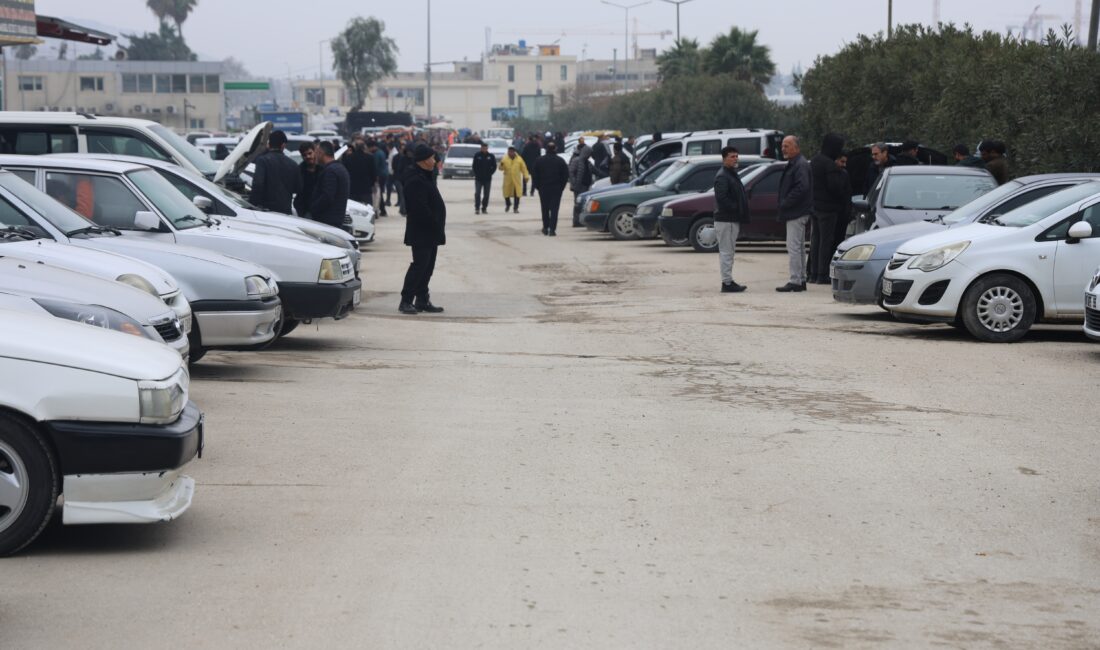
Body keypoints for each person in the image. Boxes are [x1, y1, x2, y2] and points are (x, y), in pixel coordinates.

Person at [399, 143, 447, 315]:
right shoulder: (414, 179)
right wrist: (434, 221)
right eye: (432, 158)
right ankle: (406, 301)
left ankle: (422, 299)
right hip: (421, 232)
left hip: (431, 232)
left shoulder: (425, 176)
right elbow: (419, 208)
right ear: (424, 160)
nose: (435, 161)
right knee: (419, 266)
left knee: (428, 267)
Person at [808, 133, 848, 285]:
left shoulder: (815, 160)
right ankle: (822, 274)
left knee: (815, 241)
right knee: (826, 242)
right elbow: (835, 188)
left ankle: (813, 274)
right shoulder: (830, 164)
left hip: (815, 207)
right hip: (828, 209)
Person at [776, 135, 813, 293]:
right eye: (783, 145)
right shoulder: (795, 163)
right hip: (796, 211)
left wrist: (786, 202)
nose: (783, 148)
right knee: (798, 247)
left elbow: (802, 187)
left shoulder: (800, 164)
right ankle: (801, 279)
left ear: (796, 147)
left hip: (796, 212)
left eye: (787, 145)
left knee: (793, 247)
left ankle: (795, 280)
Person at [713, 146, 749, 293]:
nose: (735, 159)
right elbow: (722, 199)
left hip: (731, 219)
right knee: (726, 252)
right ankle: (727, 283)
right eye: (732, 156)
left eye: (736, 156)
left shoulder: (732, 173)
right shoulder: (723, 176)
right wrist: (736, 207)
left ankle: (728, 281)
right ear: (724, 159)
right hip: (725, 220)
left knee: (729, 251)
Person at [248, 130, 301, 214]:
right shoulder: (293, 164)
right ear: (283, 145)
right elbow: (297, 188)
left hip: (266, 210)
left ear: (269, 144)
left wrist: (251, 205)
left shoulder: (263, 161)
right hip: (285, 209)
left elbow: (258, 184)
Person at [309, 141, 350, 229]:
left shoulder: (330, 171)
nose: (315, 156)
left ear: (321, 153)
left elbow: (327, 196)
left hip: (328, 221)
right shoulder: (340, 168)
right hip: (336, 219)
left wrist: (313, 209)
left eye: (316, 152)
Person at [533, 141, 570, 236]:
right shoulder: (560, 161)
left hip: (543, 188)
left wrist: (538, 187)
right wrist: (561, 187)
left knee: (544, 208)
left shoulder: (539, 160)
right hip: (556, 188)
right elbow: (565, 175)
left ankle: (545, 228)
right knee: (554, 209)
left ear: (546, 149)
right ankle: (552, 229)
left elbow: (535, 175)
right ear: (555, 149)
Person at [568, 143, 594, 227]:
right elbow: (571, 172)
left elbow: (594, 170)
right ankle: (576, 221)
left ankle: (581, 221)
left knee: (583, 204)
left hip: (586, 186)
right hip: (579, 186)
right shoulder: (576, 160)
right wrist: (575, 183)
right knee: (577, 204)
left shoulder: (587, 162)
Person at [293, 141, 320, 219]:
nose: (308, 156)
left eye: (309, 153)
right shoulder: (300, 169)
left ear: (314, 152)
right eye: (304, 155)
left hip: (320, 209)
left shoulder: (323, 168)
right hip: (304, 209)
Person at [832, 154, 853, 251]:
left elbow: (848, 195)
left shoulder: (845, 174)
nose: (844, 165)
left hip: (842, 216)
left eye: (845, 162)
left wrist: (847, 213)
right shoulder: (829, 174)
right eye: (842, 161)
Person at [499, 146, 529, 213]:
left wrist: (526, 176)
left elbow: (524, 168)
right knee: (506, 193)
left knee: (517, 194)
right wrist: (501, 165)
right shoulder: (504, 159)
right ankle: (508, 204)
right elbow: (500, 169)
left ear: (514, 152)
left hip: (516, 179)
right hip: (508, 179)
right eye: (509, 151)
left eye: (511, 151)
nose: (510, 153)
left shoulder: (519, 159)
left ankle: (516, 207)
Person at [472, 141, 497, 214]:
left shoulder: (491, 156)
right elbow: (474, 166)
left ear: (487, 148)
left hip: (487, 179)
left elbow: (494, 166)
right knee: (477, 193)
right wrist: (476, 174)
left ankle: (484, 208)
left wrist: (490, 173)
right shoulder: (477, 155)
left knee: (486, 195)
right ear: (481, 148)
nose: (484, 149)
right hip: (478, 179)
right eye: (483, 148)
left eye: (485, 148)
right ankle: (477, 208)